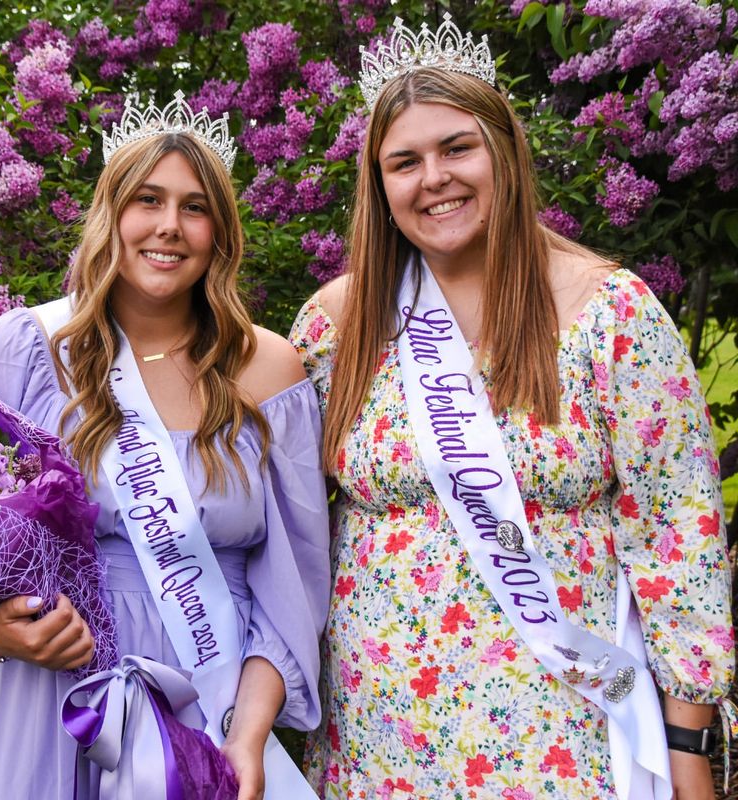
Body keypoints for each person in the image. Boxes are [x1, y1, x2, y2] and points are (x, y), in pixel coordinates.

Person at [290, 14, 735, 800]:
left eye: (457, 148)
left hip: (565, 734)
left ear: (505, 152)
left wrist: (690, 744)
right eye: (405, 161)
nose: (434, 178)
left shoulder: (611, 312)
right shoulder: (336, 324)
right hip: (379, 737)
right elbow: (283, 524)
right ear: (379, 183)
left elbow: (678, 539)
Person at [0, 93, 330, 800]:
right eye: (147, 200)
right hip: (50, 698)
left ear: (220, 231)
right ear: (110, 216)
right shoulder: (27, 348)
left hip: (210, 710)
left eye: (194, 207)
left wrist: (246, 737)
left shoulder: (269, 369)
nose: (169, 227)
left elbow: (294, 589)